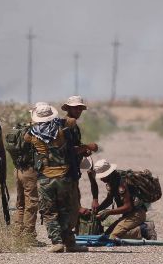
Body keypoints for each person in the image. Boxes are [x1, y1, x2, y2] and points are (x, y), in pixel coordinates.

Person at [24, 103, 88, 253]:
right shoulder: (61, 128)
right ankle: (70, 243)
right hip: (63, 176)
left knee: (49, 212)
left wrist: (34, 122)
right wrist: (57, 121)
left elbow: (26, 137)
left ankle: (56, 242)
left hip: (45, 178)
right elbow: (71, 121)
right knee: (65, 210)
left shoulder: (32, 134)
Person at [60, 95, 100, 233]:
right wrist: (88, 146)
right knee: (70, 202)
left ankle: (72, 234)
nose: (78, 111)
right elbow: (68, 149)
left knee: (74, 198)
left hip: (72, 169)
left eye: (80, 108)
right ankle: (66, 237)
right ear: (69, 109)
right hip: (66, 170)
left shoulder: (73, 124)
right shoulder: (67, 124)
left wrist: (84, 151)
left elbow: (75, 148)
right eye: (75, 108)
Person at [7, 102, 46, 246]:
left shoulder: (22, 128)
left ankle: (18, 234)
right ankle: (29, 236)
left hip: (18, 170)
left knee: (20, 203)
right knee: (32, 203)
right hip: (29, 171)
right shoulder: (36, 131)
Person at [93, 159, 157, 240]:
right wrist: (98, 209)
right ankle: (137, 229)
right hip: (128, 215)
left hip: (136, 214)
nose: (101, 179)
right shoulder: (113, 180)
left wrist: (108, 212)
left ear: (108, 174)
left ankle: (144, 229)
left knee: (112, 237)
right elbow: (109, 199)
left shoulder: (121, 184)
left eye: (102, 176)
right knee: (107, 234)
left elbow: (128, 207)